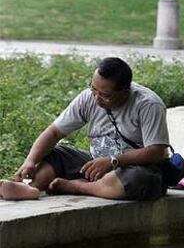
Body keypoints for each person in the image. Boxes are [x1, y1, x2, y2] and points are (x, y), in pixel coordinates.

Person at [0, 57, 170, 201]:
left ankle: (77, 187)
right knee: (55, 153)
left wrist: (113, 161)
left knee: (137, 179)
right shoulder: (88, 98)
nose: (97, 98)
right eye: (93, 89)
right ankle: (31, 188)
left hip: (135, 169)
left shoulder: (148, 104)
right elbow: (54, 132)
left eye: (105, 95)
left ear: (125, 91)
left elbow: (156, 152)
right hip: (97, 164)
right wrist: (30, 160)